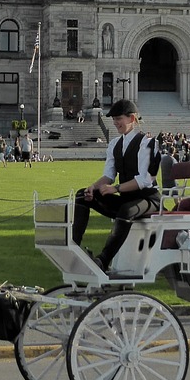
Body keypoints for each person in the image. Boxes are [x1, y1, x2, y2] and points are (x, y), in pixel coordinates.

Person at [72, 99, 161, 273]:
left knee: (126, 210)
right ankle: (74, 248)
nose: (115, 122)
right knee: (82, 195)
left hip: (149, 199)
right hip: (127, 200)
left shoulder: (148, 143)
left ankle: (103, 260)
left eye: (119, 118)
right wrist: (93, 188)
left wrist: (116, 189)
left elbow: (145, 180)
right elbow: (109, 176)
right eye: (114, 119)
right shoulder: (114, 144)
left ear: (132, 118)